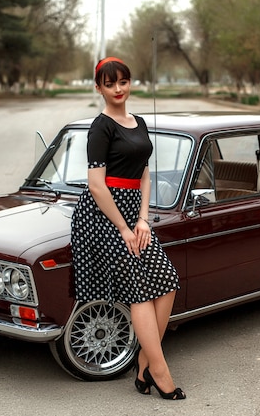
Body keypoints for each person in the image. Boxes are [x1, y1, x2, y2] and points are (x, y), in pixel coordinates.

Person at [70, 57, 185, 400]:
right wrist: (123, 227)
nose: (118, 89)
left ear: (130, 82)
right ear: (99, 88)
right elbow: (96, 184)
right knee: (138, 290)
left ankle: (144, 362)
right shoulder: (100, 127)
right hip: (103, 216)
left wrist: (143, 219)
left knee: (166, 283)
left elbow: (144, 172)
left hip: (135, 212)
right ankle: (160, 373)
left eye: (123, 81)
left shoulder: (139, 122)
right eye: (110, 84)